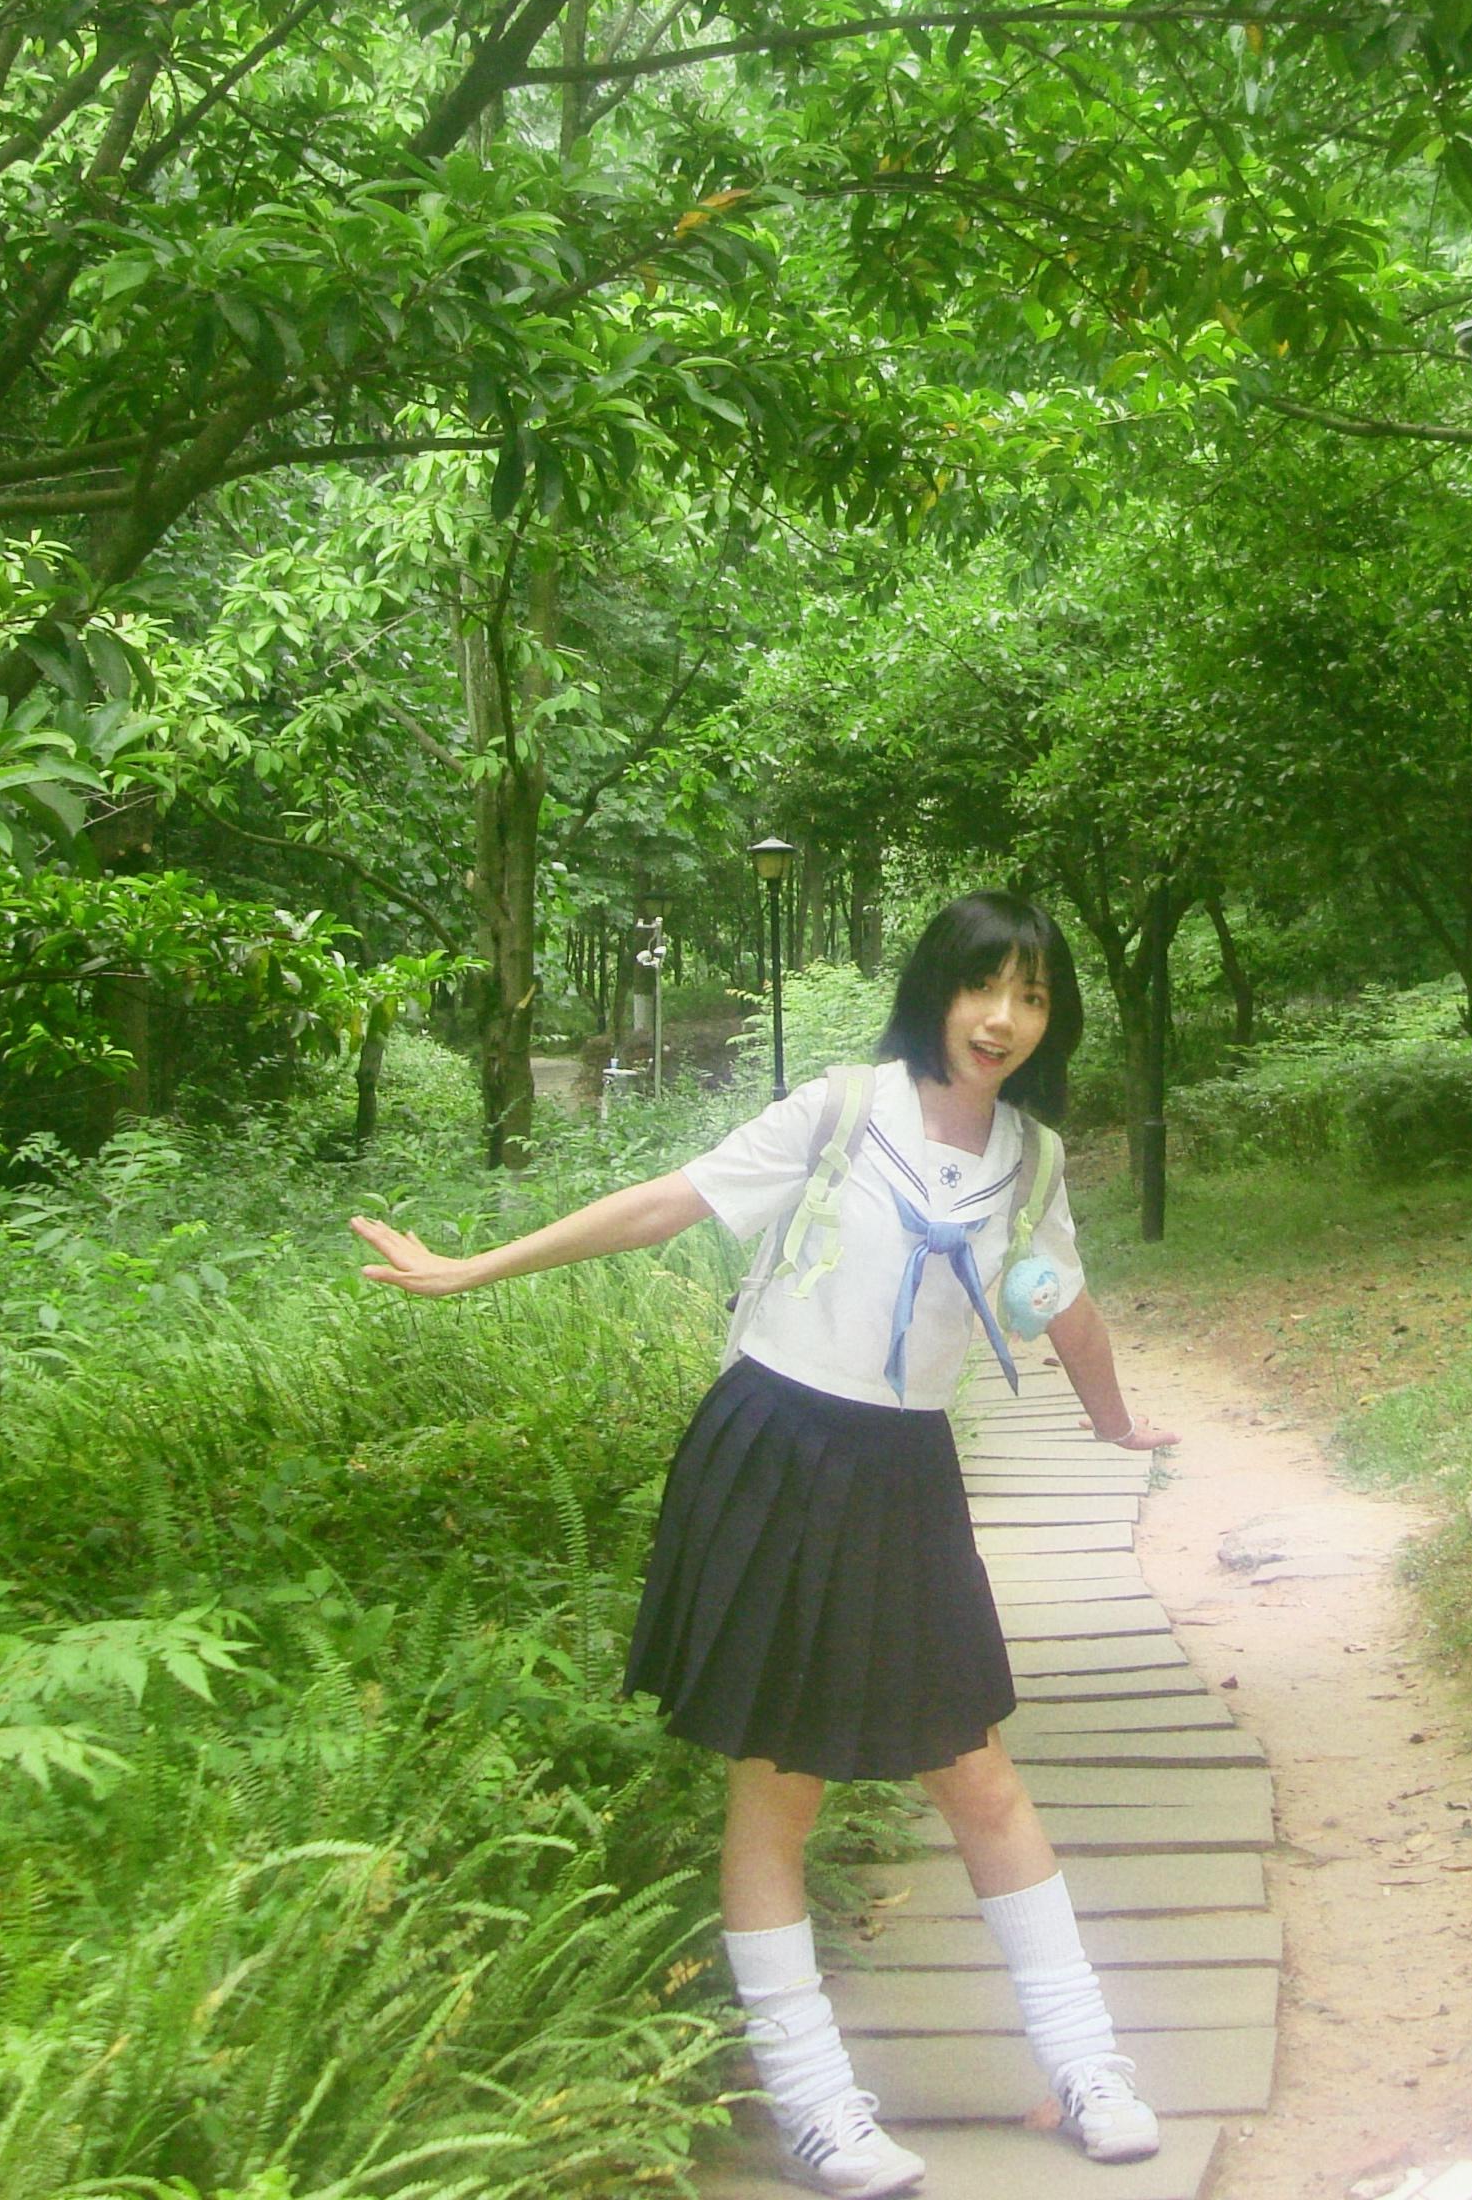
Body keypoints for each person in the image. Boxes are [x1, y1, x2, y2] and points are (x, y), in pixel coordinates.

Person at [351, 891, 1178, 2199]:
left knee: (977, 1774)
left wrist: (1116, 1422)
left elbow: (1064, 1304)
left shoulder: (1033, 1160)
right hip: (781, 1450)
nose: (1003, 1019)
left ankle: (1087, 2063)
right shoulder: (843, 1109)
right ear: (938, 990)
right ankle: (815, 2104)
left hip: (907, 1474)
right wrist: (471, 1268)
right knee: (780, 1782)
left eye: (1031, 996)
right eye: (984, 987)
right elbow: (661, 1206)